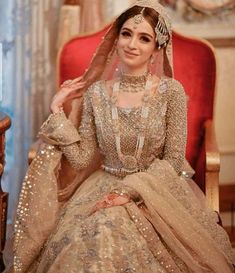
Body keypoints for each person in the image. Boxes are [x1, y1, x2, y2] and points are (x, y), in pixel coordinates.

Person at [4, 0, 235, 272]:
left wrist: (128, 192)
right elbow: (81, 159)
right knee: (91, 235)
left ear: (156, 48)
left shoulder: (171, 92)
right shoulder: (96, 94)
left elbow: (173, 161)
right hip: (100, 188)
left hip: (154, 191)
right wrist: (57, 111)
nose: (132, 44)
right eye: (126, 34)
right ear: (117, 38)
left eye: (144, 38)